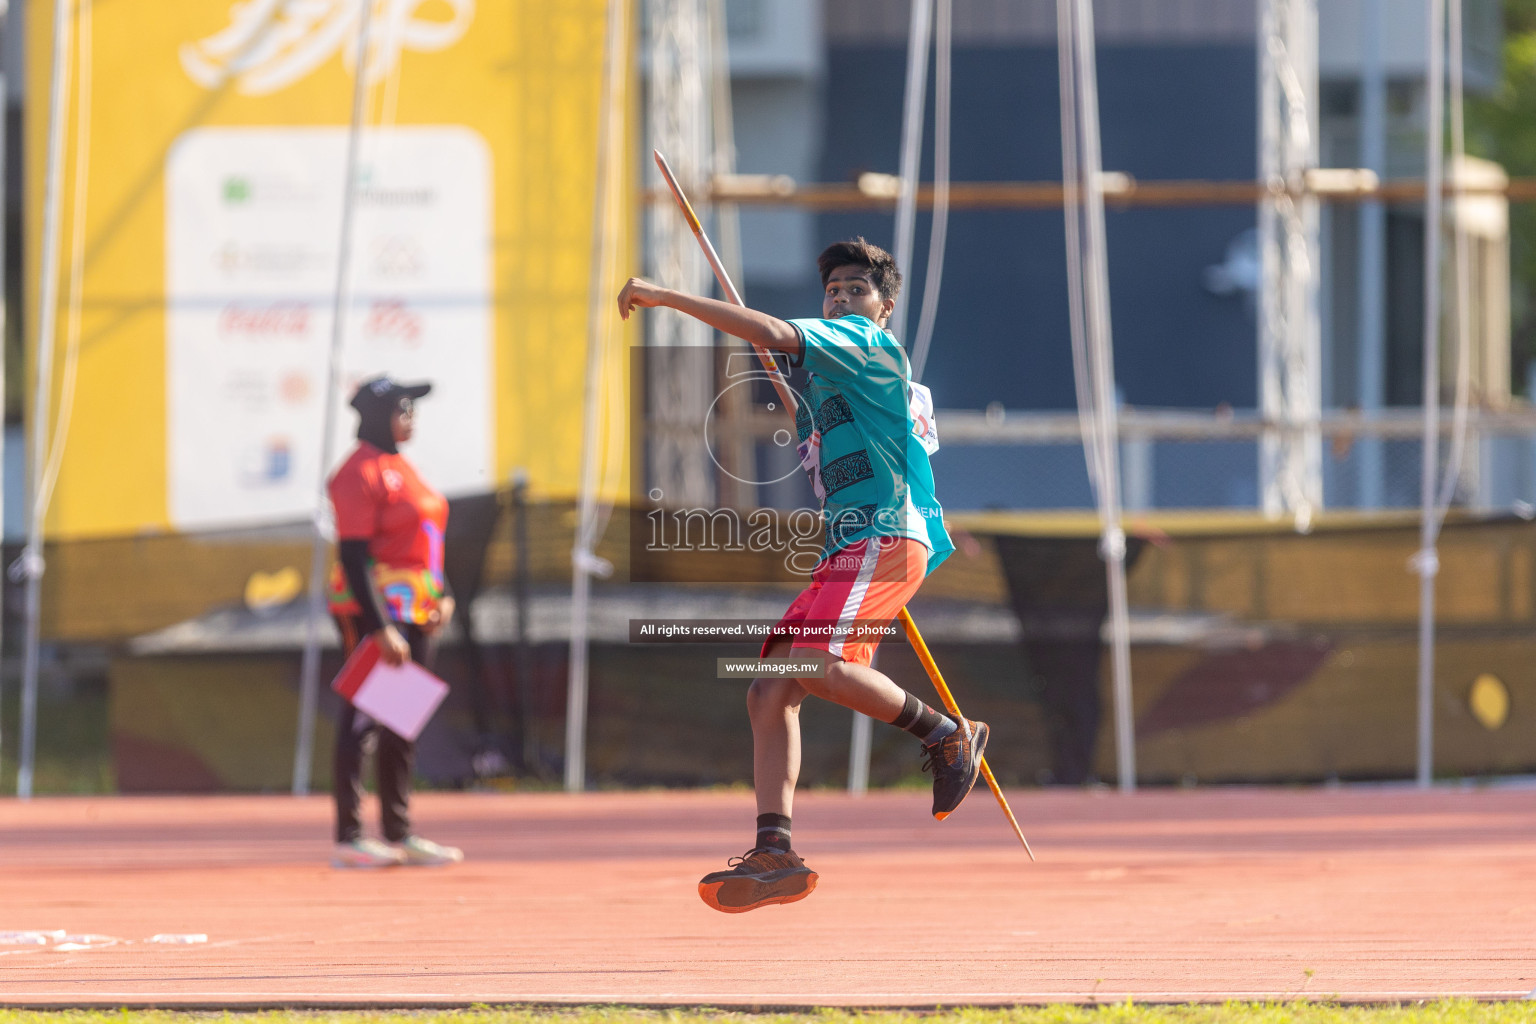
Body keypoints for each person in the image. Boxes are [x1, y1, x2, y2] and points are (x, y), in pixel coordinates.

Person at [617, 238, 988, 912]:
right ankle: (775, 849)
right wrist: (810, 410)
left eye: (856, 290)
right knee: (768, 693)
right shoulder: (833, 378)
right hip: (847, 546)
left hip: (883, 533)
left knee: (820, 666)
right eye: (833, 291)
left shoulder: (863, 345)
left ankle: (948, 733)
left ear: (883, 308)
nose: (842, 299)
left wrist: (667, 297)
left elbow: (768, 329)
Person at [327, 375, 464, 869]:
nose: (411, 417)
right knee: (362, 719)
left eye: (414, 408)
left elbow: (424, 538)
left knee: (401, 723)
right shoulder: (357, 472)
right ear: (376, 414)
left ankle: (399, 832)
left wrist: (443, 593)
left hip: (418, 609)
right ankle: (348, 838)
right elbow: (354, 555)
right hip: (379, 611)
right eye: (403, 408)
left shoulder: (403, 468)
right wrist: (378, 625)